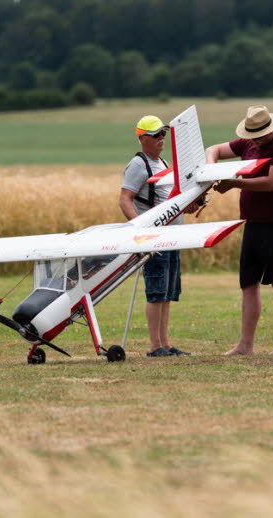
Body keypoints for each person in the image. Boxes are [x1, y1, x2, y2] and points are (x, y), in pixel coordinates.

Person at [206, 105, 273, 355]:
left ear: (272, 129)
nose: (255, 140)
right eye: (251, 135)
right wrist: (211, 167)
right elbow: (213, 149)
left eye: (259, 135)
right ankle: (245, 345)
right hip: (253, 222)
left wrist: (234, 182)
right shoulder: (247, 144)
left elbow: (272, 183)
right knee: (248, 283)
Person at [120, 115, 191, 357]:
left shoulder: (162, 162)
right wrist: (141, 230)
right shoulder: (139, 165)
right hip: (155, 238)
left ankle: (166, 343)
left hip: (173, 237)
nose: (162, 138)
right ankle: (154, 346)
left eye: (163, 133)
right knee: (156, 291)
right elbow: (125, 198)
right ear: (142, 138)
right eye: (156, 135)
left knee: (168, 292)